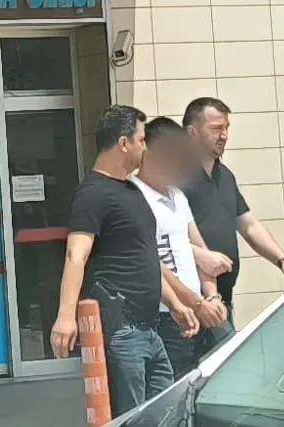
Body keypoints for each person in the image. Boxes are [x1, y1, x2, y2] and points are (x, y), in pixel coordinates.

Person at [50, 105, 198, 418]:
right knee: (130, 417)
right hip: (122, 330)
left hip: (150, 329)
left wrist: (175, 304)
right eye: (141, 140)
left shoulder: (131, 191)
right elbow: (76, 255)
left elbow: (144, 257)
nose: (145, 147)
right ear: (123, 143)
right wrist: (65, 316)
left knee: (164, 413)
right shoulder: (92, 194)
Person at [181, 97, 284, 328]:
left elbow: (249, 226)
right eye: (216, 128)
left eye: (227, 128)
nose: (225, 135)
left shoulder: (225, 176)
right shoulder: (175, 178)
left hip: (222, 301)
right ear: (193, 132)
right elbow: (161, 239)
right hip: (190, 305)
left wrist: (282, 261)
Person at [130, 117, 228, 377]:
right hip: (167, 315)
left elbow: (203, 254)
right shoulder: (134, 197)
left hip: (202, 308)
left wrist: (212, 297)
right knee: (176, 386)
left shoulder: (177, 195)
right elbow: (152, 263)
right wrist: (196, 304)